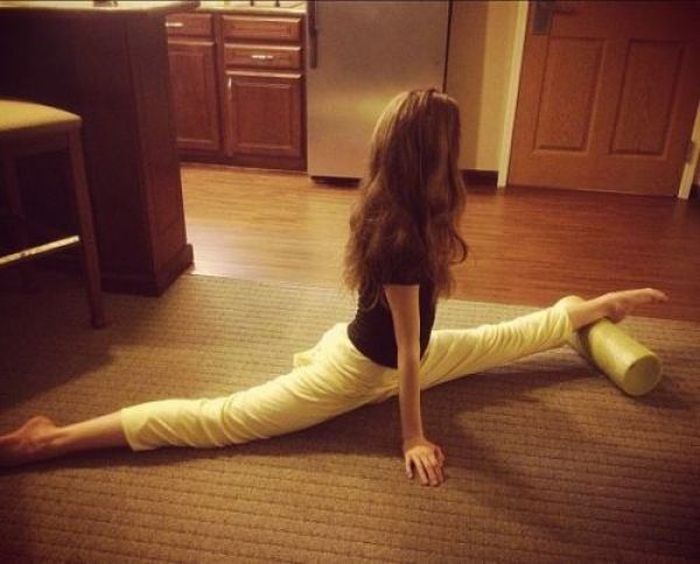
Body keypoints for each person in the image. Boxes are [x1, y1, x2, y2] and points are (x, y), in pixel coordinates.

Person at [0, 89, 667, 485]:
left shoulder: (400, 205)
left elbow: (422, 346)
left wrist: (602, 305)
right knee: (221, 421)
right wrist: (411, 438)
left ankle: (585, 308)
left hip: (380, 351)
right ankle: (48, 439)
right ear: (431, 157)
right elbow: (406, 356)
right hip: (358, 371)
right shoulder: (403, 238)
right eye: (452, 145)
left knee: (499, 340)